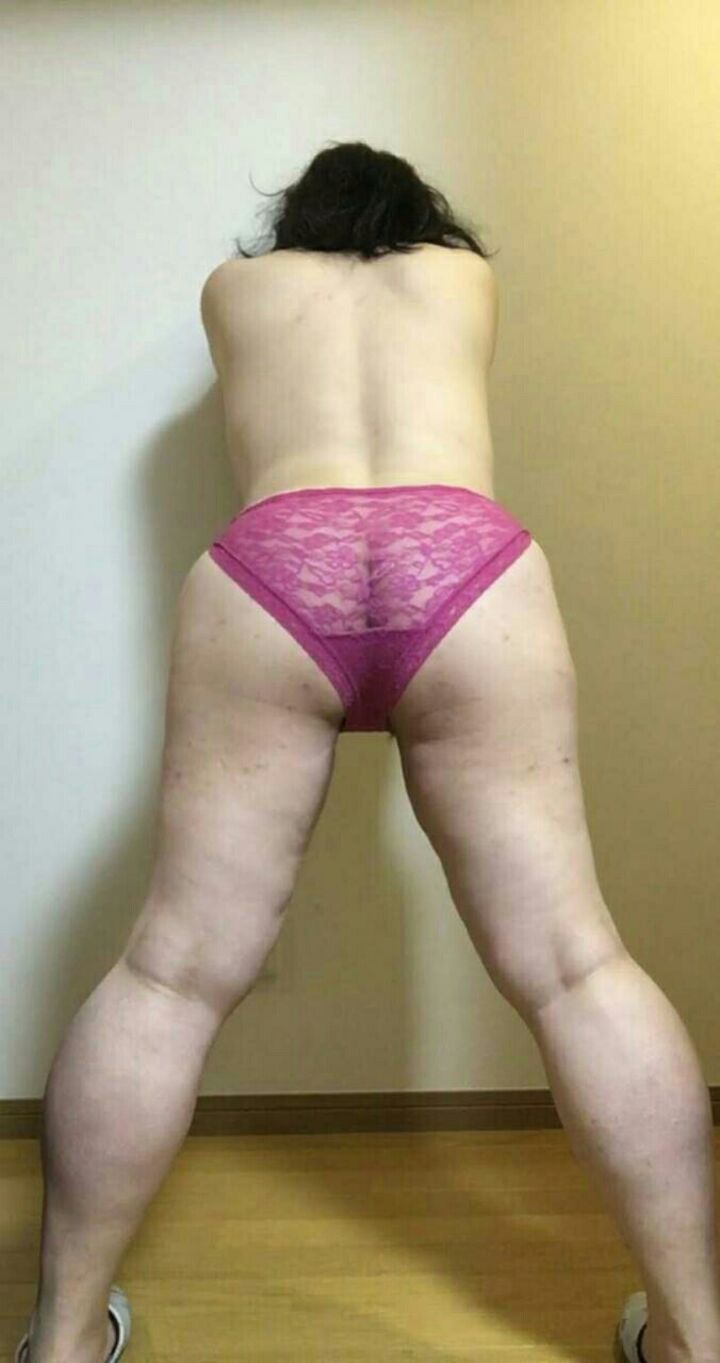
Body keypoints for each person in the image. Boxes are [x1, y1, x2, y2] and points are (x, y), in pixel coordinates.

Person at [18, 141, 720, 1363]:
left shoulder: (234, 290)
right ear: (417, 210)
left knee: (170, 975)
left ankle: (61, 1340)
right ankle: (695, 1340)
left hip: (274, 565)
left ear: (300, 215)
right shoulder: (463, 277)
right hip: (466, 566)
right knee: (576, 967)